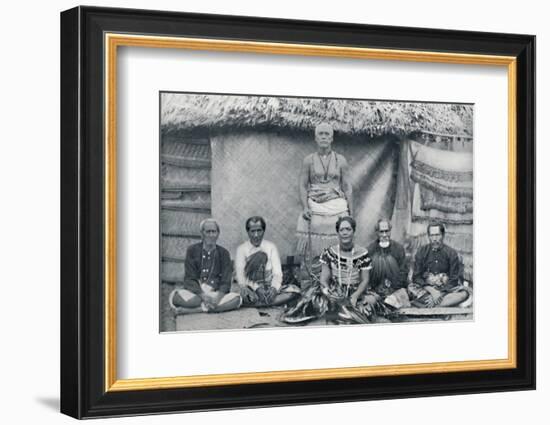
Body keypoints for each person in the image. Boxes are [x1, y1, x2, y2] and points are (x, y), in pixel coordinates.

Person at [296, 123, 353, 266]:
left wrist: (351, 211)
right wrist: (305, 207)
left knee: (342, 228)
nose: (323, 137)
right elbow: (302, 185)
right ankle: (315, 271)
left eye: (327, 134)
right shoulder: (308, 160)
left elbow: (347, 186)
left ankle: (338, 268)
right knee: (311, 225)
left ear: (332, 138)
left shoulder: (341, 160)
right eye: (320, 134)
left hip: (337, 203)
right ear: (315, 138)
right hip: (314, 203)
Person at [169, 219, 242, 314]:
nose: (211, 235)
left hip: (215, 294)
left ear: (218, 234)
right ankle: (210, 308)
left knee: (237, 299)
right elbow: (189, 278)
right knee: (175, 296)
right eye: (208, 232)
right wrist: (203, 296)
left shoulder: (224, 253)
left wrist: (218, 298)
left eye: (214, 232)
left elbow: (226, 281)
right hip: (196, 294)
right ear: (202, 234)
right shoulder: (192, 250)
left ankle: (196, 310)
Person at [235, 216, 300, 307]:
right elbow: (241, 276)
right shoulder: (242, 249)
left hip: (269, 289)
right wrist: (257, 288)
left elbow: (277, 273)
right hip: (252, 289)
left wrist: (273, 289)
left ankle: (259, 303)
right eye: (253, 231)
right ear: (248, 232)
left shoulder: (271, 247)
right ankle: (266, 303)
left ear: (263, 231)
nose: (256, 235)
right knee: (242, 294)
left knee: (295, 291)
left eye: (259, 230)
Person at [408, 221, 470, 308]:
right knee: (410, 289)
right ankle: (441, 303)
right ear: (428, 236)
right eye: (432, 235)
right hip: (426, 289)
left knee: (464, 294)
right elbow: (416, 277)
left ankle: (427, 303)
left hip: (446, 290)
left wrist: (440, 293)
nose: (435, 239)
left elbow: (453, 280)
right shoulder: (421, 252)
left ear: (443, 235)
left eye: (437, 235)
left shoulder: (452, 253)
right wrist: (432, 291)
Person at [366, 219, 410, 308]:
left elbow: (403, 272)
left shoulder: (398, 249)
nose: (384, 235)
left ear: (390, 231)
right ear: (377, 233)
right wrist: (377, 288)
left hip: (395, 288)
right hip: (376, 289)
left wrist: (392, 288)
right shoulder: (370, 250)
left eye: (387, 231)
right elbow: (367, 274)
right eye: (381, 232)